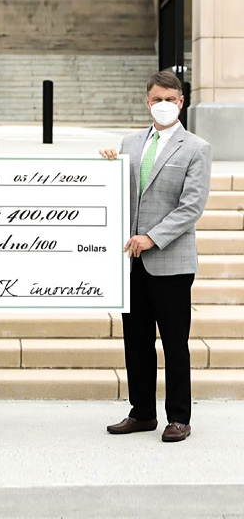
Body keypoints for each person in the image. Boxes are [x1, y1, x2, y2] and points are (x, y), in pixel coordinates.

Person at [100, 71, 211, 442]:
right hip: (131, 262)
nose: (163, 105)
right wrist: (107, 167)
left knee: (174, 343)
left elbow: (191, 206)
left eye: (170, 99)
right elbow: (120, 192)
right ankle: (142, 412)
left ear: (181, 102)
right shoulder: (130, 143)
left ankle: (179, 417)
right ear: (147, 103)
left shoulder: (196, 147)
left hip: (171, 262)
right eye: (156, 99)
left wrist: (152, 237)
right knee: (136, 341)